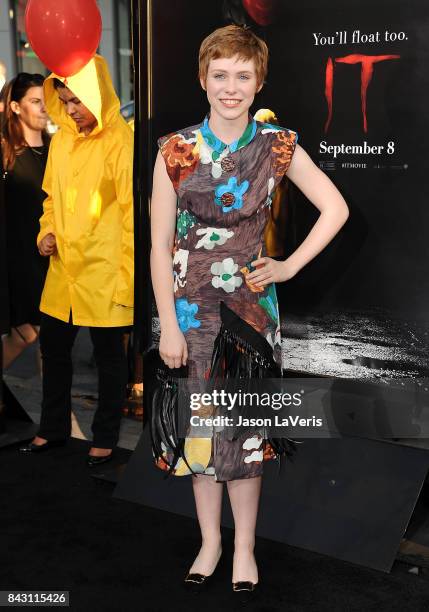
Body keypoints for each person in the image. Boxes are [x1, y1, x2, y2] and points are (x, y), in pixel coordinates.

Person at [150, 25, 349, 595]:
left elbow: (334, 209)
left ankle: (243, 548)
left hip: (250, 313)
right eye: (220, 75)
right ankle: (210, 541)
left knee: (244, 432)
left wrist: (287, 266)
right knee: (202, 433)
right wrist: (166, 322)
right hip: (190, 312)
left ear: (259, 82)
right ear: (203, 79)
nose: (230, 87)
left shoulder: (278, 144)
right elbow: (159, 244)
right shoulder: (174, 149)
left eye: (242, 76)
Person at [20, 55, 134, 467]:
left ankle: (104, 438)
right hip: (63, 271)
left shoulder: (122, 142)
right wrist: (45, 232)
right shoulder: (63, 139)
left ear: (98, 95)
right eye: (65, 101)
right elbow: (50, 199)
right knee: (54, 352)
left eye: (76, 101)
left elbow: (131, 218)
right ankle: (51, 430)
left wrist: (126, 283)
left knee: (109, 360)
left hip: (106, 272)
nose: (70, 110)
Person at [1, 73, 50, 370]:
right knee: (28, 334)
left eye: (46, 101)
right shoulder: (6, 152)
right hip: (18, 260)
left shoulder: (57, 149)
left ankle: (59, 416)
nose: (43, 108)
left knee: (52, 342)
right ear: (16, 107)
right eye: (35, 101)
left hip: (53, 257)